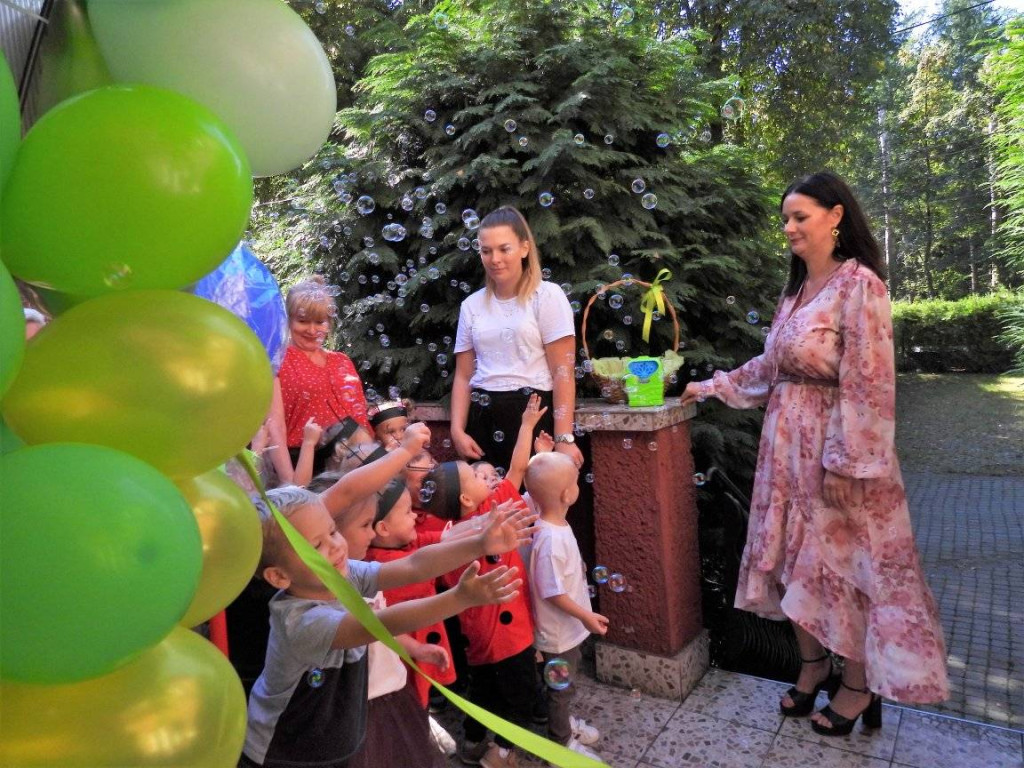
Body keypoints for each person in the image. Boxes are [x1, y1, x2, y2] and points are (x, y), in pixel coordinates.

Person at [681, 171, 948, 737]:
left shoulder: (861, 286)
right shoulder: (795, 291)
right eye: (785, 219)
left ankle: (858, 688)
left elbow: (871, 382)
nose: (790, 228)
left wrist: (852, 462)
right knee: (791, 564)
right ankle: (812, 667)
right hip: (784, 453)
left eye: (800, 216)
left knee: (847, 571)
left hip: (840, 455)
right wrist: (711, 386)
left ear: (835, 216)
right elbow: (770, 370)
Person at [239, 484, 532, 768]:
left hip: (331, 736)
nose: (335, 546)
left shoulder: (342, 573)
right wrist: (459, 598)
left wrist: (479, 544)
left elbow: (413, 565)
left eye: (332, 531)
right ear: (279, 577)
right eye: (316, 546)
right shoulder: (301, 622)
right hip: (286, 751)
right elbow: (380, 624)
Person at [451, 206, 583, 476]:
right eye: (486, 251)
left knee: (533, 511)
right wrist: (457, 430)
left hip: (533, 420)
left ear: (524, 248)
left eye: (504, 249)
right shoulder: (471, 305)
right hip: (482, 423)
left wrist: (563, 438)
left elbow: (563, 372)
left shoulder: (547, 296)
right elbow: (464, 376)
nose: (494, 259)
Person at [522, 452, 606, 759]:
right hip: (559, 635)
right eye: (574, 480)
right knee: (561, 690)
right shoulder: (550, 540)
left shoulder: (550, 522)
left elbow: (535, 488)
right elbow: (552, 592)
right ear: (567, 493)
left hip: (565, 630)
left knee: (562, 685)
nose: (576, 484)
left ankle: (564, 724)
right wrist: (586, 616)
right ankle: (562, 743)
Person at [276, 275, 371, 478]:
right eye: (303, 321)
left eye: (320, 322)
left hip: (352, 462)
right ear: (288, 320)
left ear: (329, 323)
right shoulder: (279, 360)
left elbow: (360, 416)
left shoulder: (342, 361)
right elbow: (275, 427)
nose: (312, 330)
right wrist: (290, 484)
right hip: (302, 463)